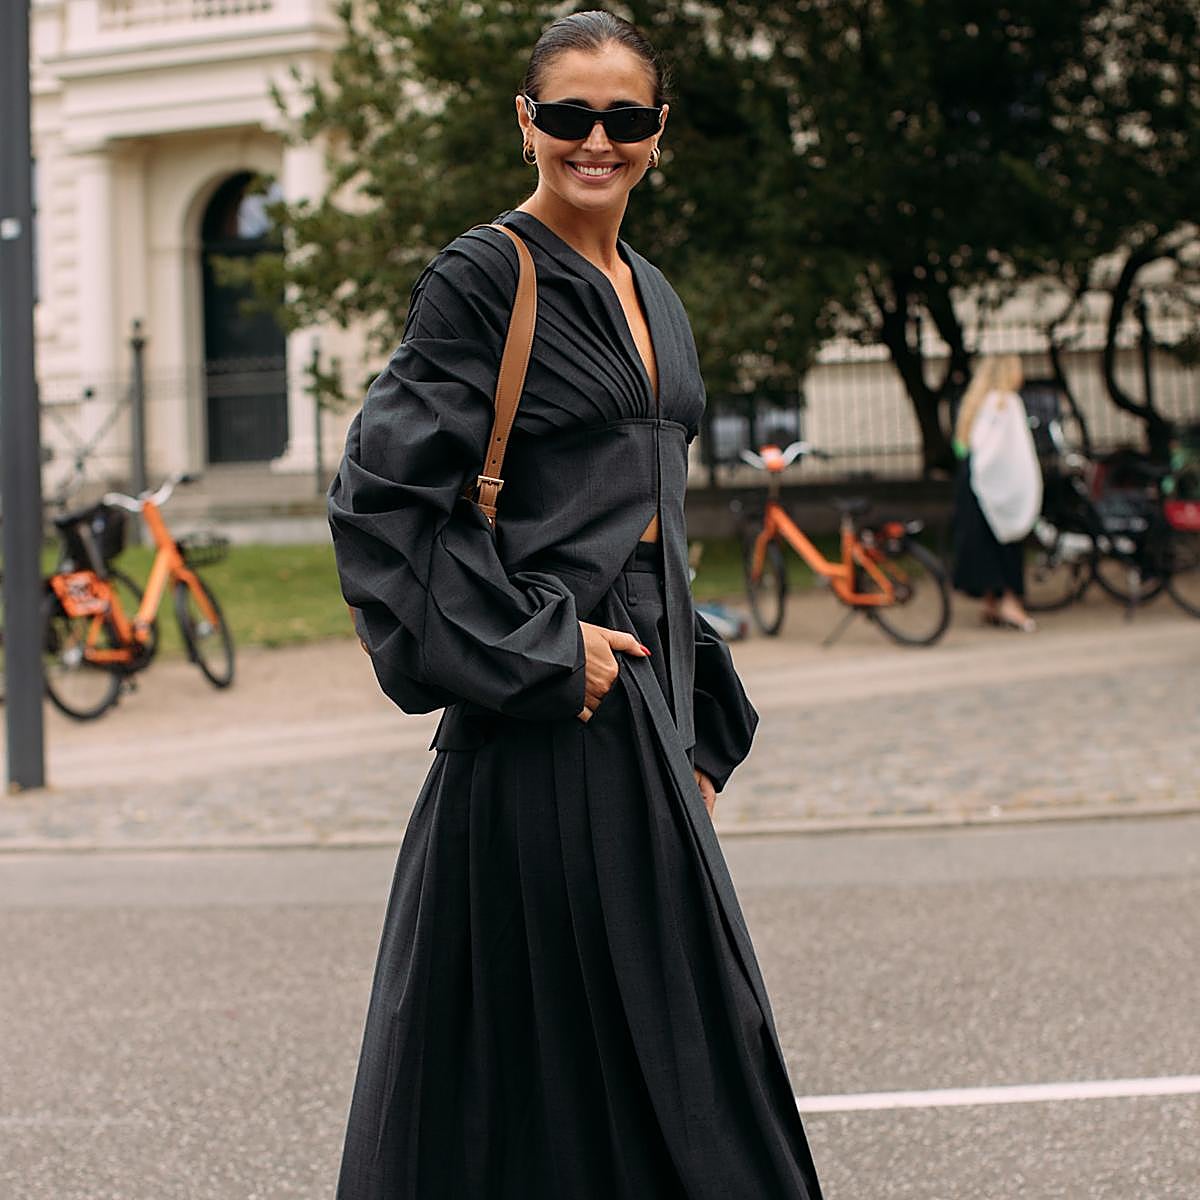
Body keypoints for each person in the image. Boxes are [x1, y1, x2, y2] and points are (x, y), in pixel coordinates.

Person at [327, 10, 824, 1199]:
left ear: (659, 130)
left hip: (643, 711)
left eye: (624, 118)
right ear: (526, 123)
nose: (594, 142)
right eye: (567, 116)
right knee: (618, 1069)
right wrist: (541, 653)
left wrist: (698, 711)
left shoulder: (653, 288)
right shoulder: (486, 276)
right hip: (550, 715)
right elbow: (377, 503)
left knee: (660, 1058)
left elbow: (644, 523)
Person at [951, 353, 1041, 632]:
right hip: (994, 483)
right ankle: (1009, 603)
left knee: (982, 541)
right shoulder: (1006, 404)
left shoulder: (976, 404)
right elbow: (1010, 452)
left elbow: (965, 446)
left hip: (973, 480)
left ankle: (991, 601)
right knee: (1004, 542)